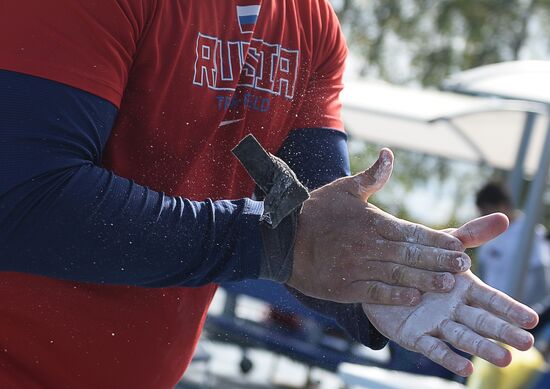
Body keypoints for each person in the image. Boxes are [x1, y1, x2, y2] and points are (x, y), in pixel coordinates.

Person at [0, 1, 538, 388]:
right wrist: (274, 243)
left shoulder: (313, 26)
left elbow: (309, 219)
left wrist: (390, 274)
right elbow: (23, 198)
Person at [476, 182, 550, 305]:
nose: (483, 218)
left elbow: (541, 282)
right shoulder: (486, 233)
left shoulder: (531, 232)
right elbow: (482, 274)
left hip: (520, 317)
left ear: (503, 205)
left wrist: (517, 313)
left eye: (487, 212)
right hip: (490, 313)